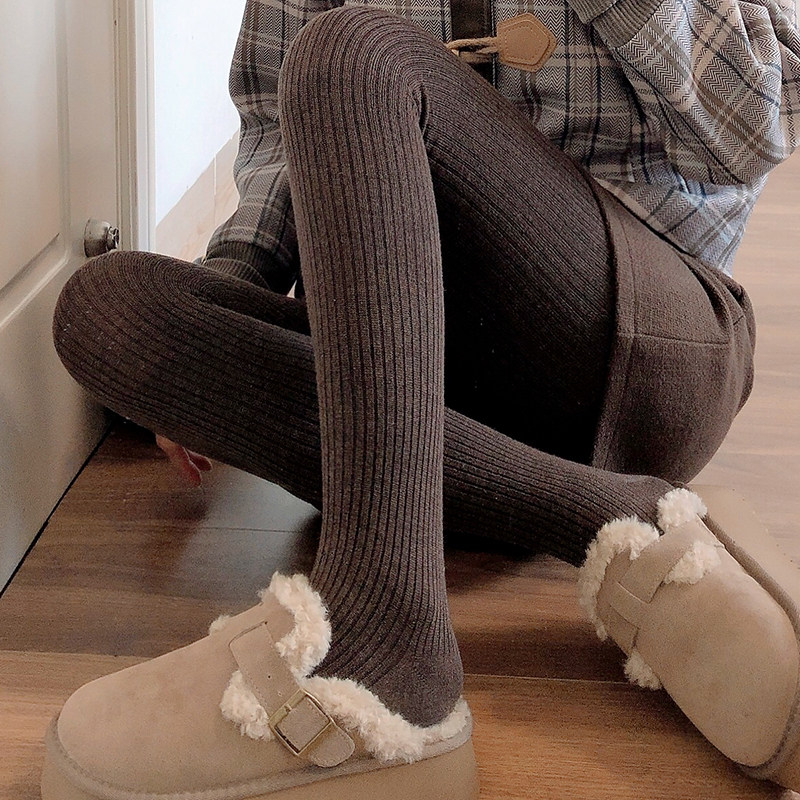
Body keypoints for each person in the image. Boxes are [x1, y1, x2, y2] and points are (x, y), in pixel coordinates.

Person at [41, 0, 800, 798]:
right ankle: (610, 520)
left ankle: (382, 641)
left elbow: (758, 123)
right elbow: (276, 127)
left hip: (638, 338)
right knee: (107, 311)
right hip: (406, 350)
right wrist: (233, 298)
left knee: (354, 55)